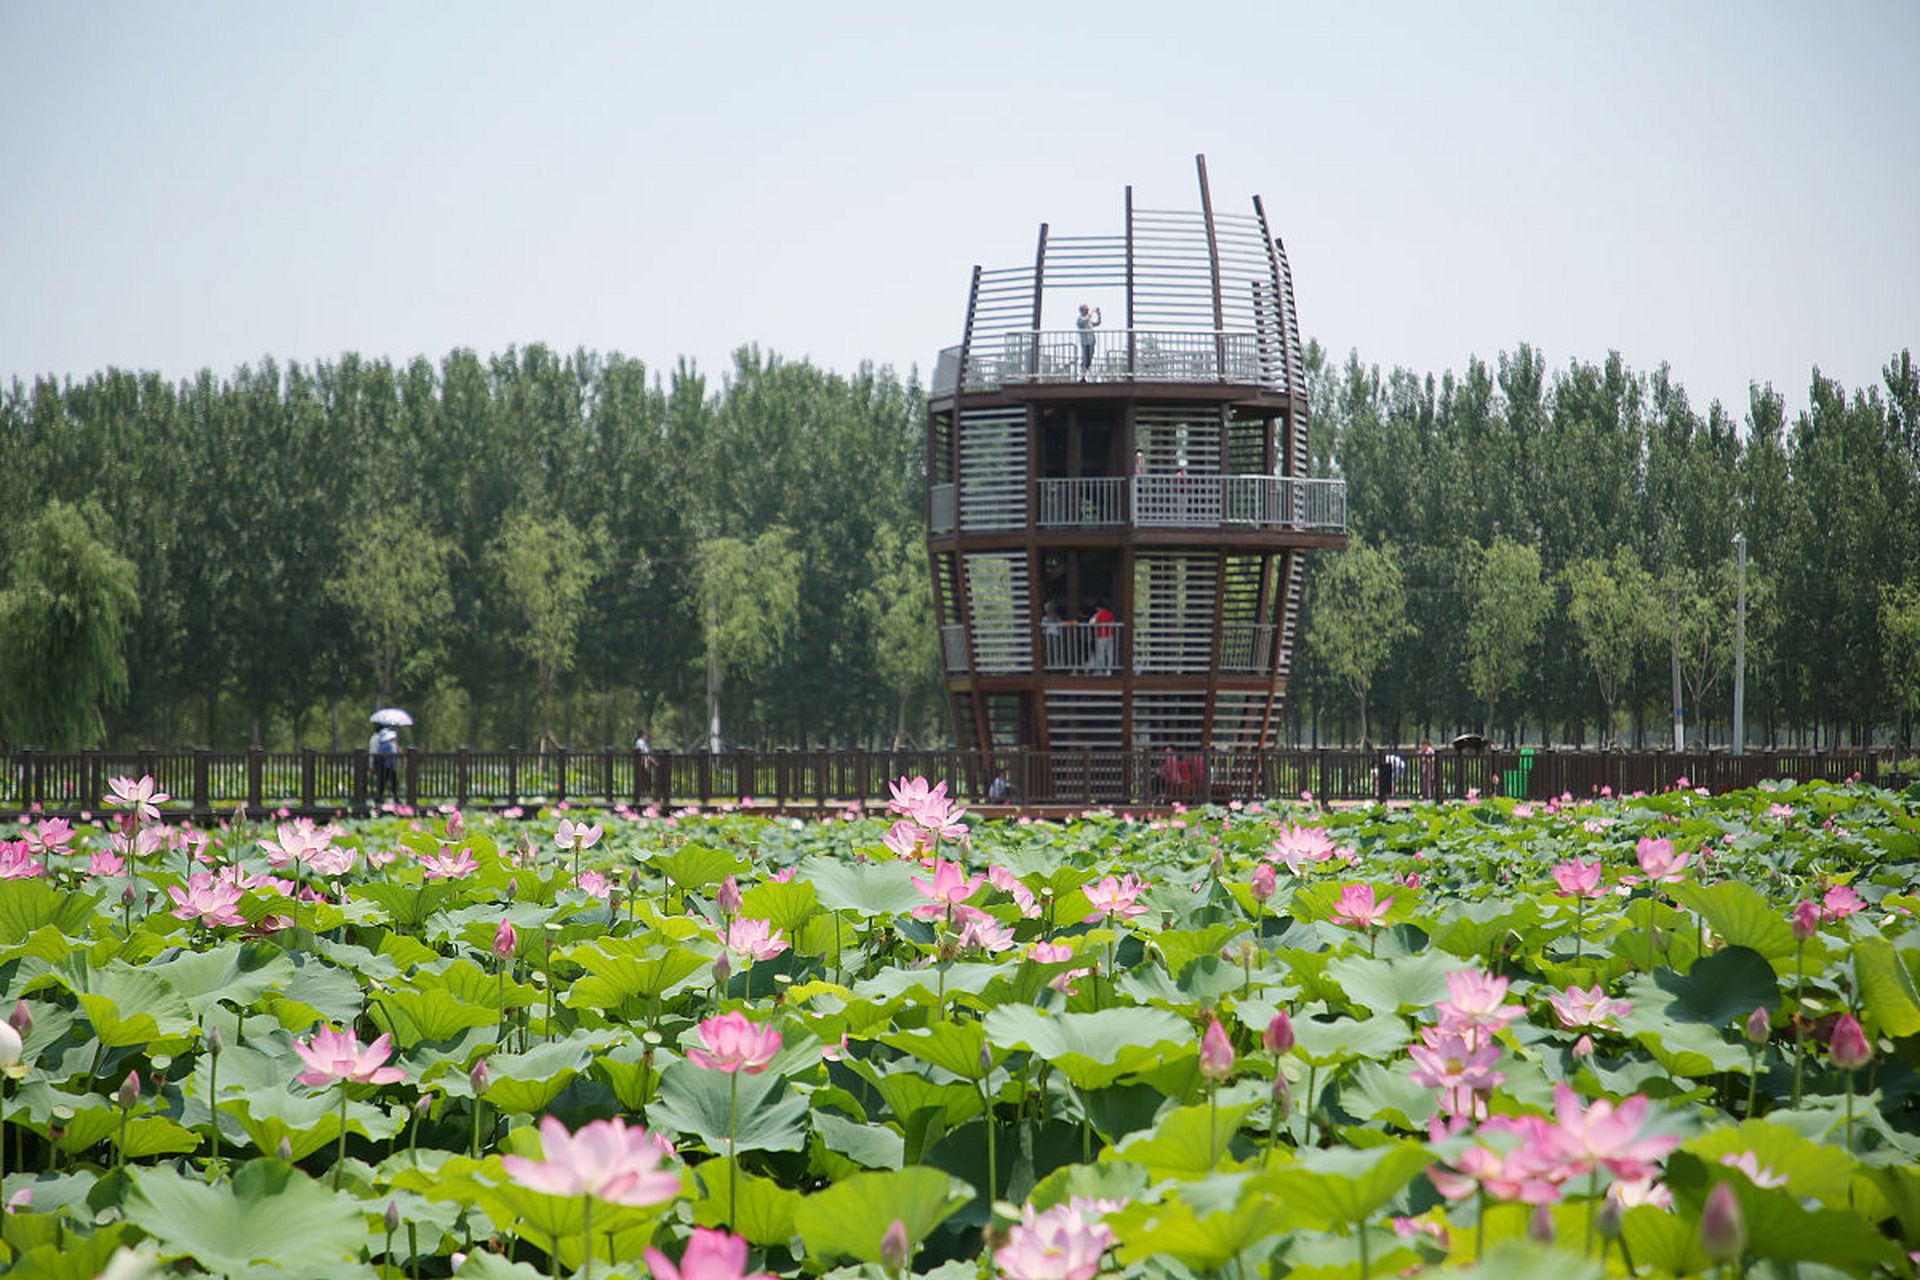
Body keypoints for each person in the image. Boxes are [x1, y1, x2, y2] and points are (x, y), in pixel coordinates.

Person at [369, 727, 400, 807]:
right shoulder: (386, 745)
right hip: (387, 767)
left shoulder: (383, 744)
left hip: (386, 766)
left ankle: (379, 798)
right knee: (390, 783)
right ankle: (391, 798)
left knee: (384, 783)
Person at [1090, 599, 1117, 674]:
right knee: (1109, 653)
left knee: (1100, 653)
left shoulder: (1099, 614)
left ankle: (1100, 670)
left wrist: (1095, 616)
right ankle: (1109, 670)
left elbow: (1091, 622)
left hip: (1101, 636)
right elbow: (1112, 622)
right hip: (1110, 635)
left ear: (1098, 607)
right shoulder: (1110, 613)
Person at [1076, 304, 1102, 376]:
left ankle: (1084, 372)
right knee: (1085, 359)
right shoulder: (1080, 319)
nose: (1087, 310)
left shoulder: (1088, 320)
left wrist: (1099, 315)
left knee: (1090, 358)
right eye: (1086, 309)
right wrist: (1092, 312)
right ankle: (1082, 374)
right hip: (1085, 343)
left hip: (1091, 341)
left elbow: (1097, 323)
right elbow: (1085, 321)